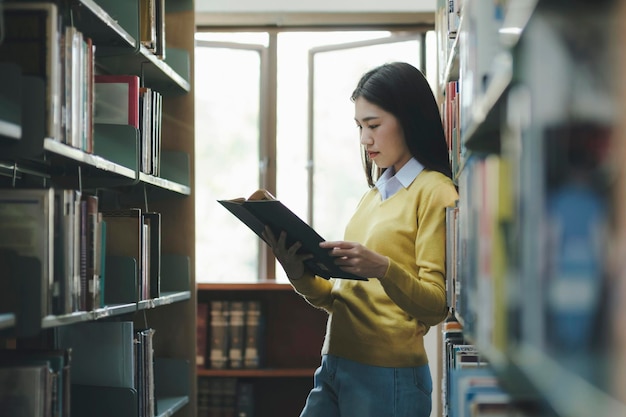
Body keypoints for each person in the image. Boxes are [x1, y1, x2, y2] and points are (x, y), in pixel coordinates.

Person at [264, 62, 458, 417]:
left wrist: (384, 268)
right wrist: (298, 273)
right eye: (359, 127)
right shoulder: (374, 195)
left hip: (389, 376)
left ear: (409, 119)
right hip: (336, 363)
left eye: (373, 125)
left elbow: (436, 307)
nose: (365, 139)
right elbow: (339, 299)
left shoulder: (435, 192)